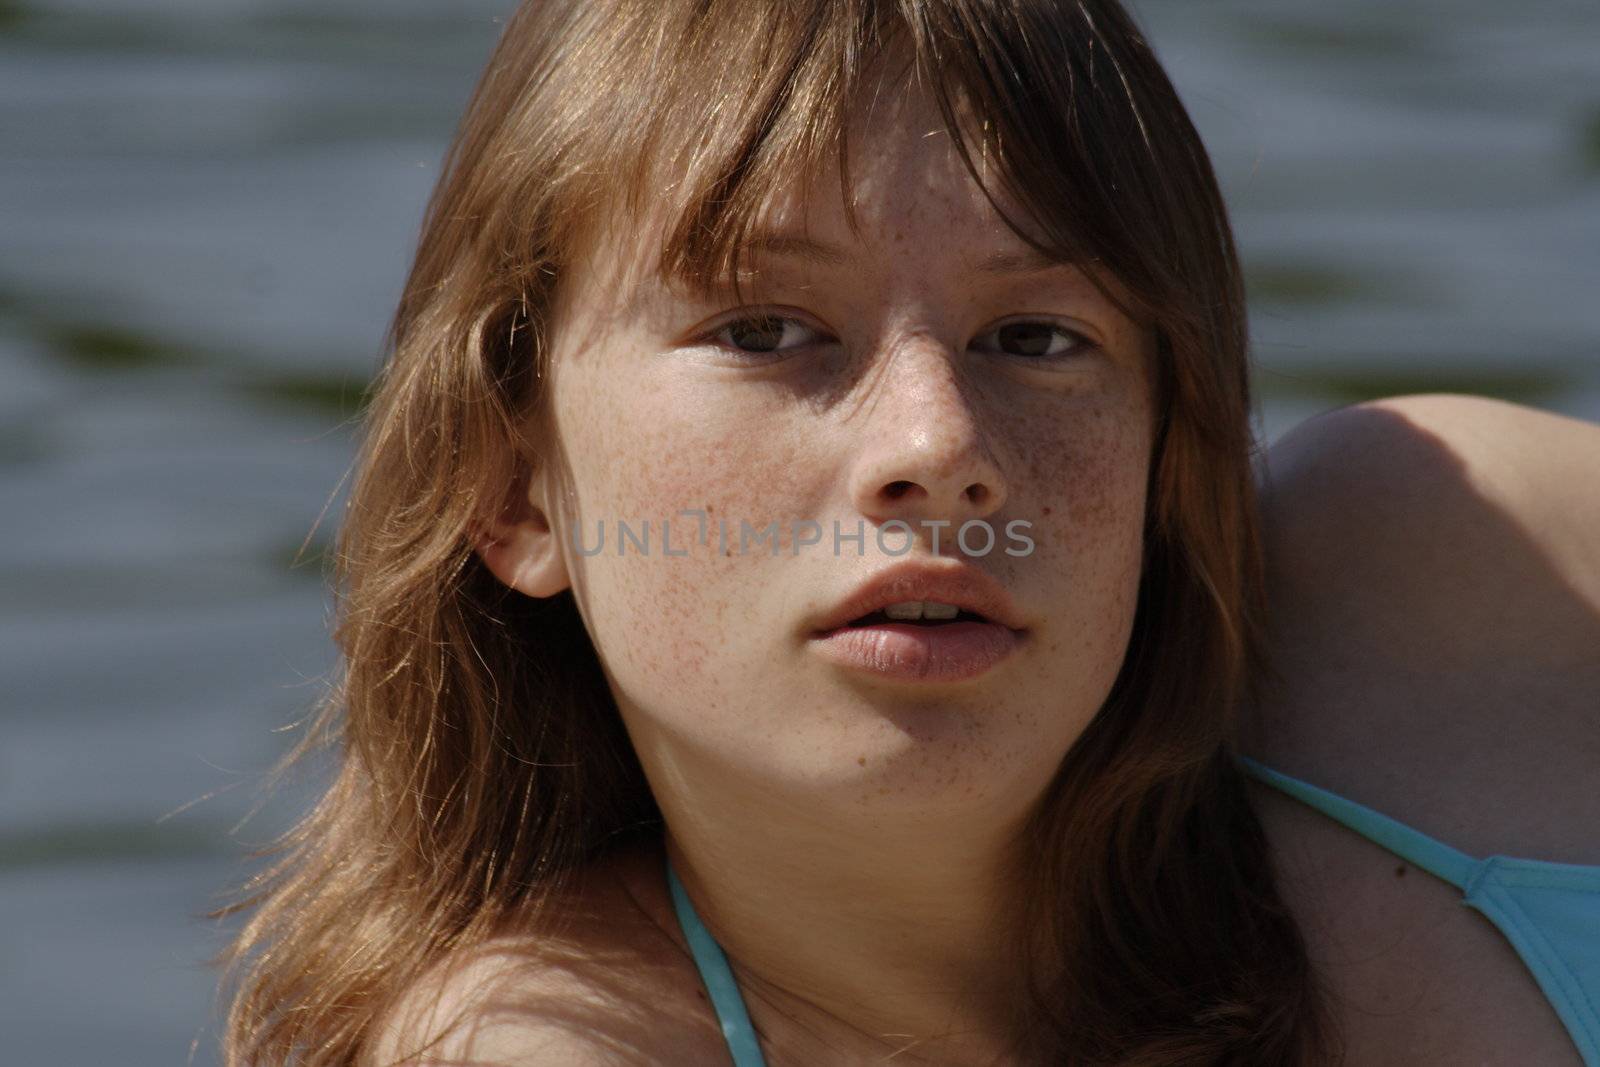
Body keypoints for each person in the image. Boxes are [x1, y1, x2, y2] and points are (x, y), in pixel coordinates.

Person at [214, 1, 1600, 1064]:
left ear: (1169, 453)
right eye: (766, 332)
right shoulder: (546, 1047)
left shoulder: (1472, 565)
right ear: (514, 490)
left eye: (1037, 336)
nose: (939, 448)